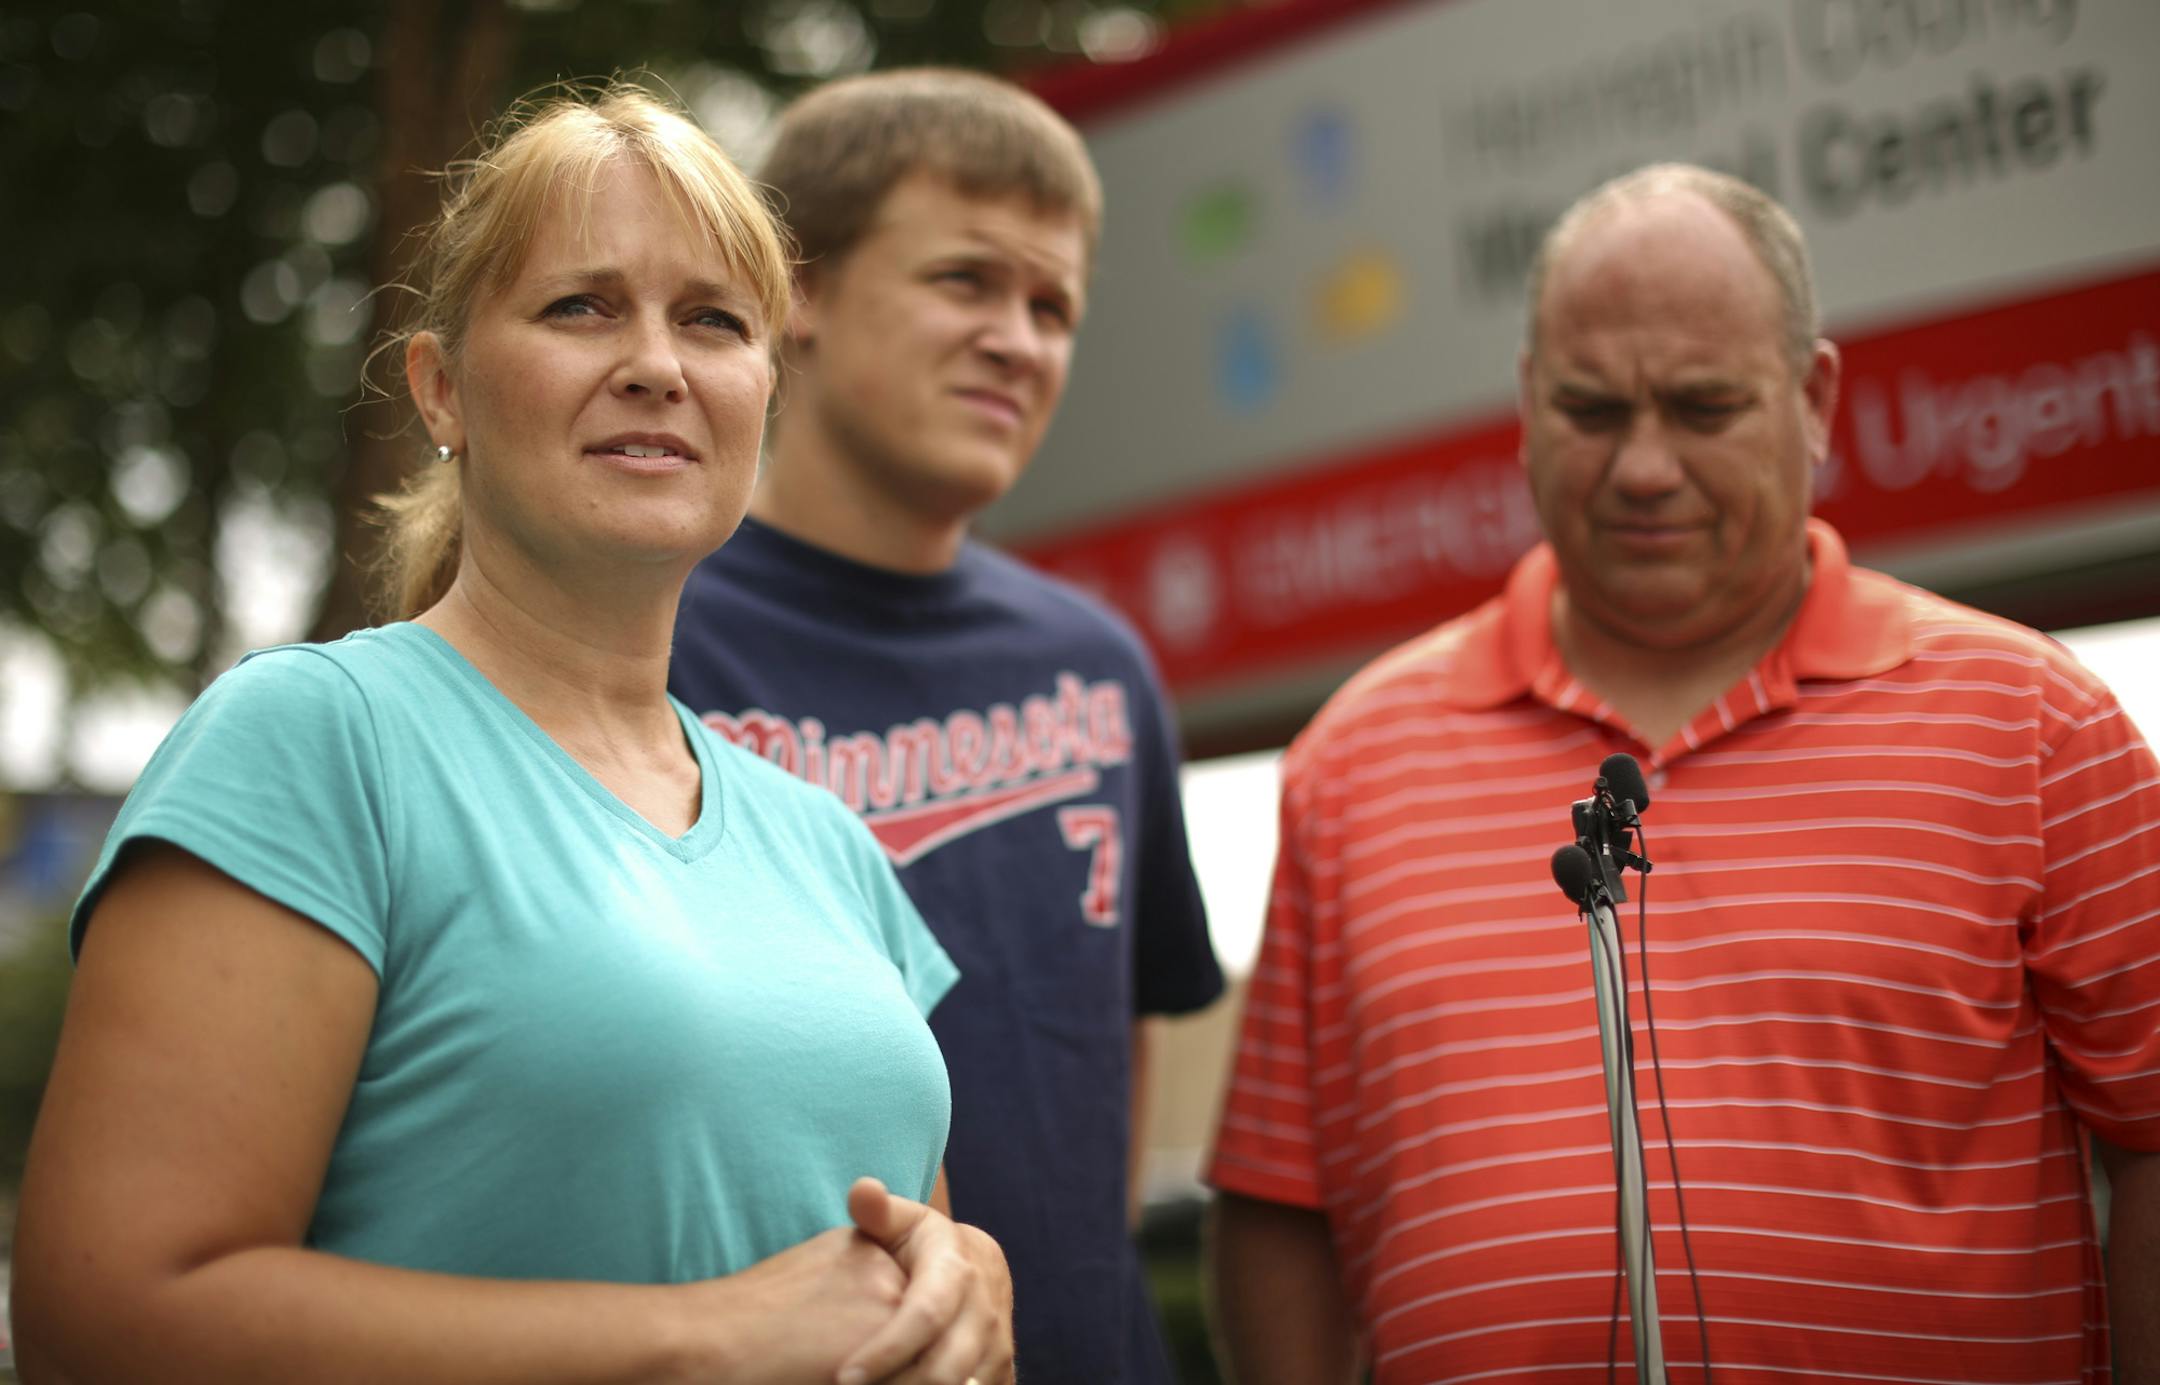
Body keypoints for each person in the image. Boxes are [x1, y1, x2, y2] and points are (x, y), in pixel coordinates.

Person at [12, 84, 1016, 1385]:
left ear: (762, 395)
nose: (657, 361)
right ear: (443, 391)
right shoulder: (316, 743)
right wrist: (700, 1340)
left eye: (713, 320)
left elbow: (876, 1262)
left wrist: (964, 1280)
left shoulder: (830, 845)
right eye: (581, 305)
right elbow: (102, 1329)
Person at [1204, 162, 2160, 1382]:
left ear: (1814, 397)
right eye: (1592, 410)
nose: (1643, 467)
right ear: (1524, 402)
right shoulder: (1352, 760)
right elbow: (1283, 1199)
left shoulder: (2036, 723)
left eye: (1704, 407)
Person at [667, 68, 1223, 1383]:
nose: (1018, 341)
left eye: (1053, 306)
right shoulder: (645, 636)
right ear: (794, 288)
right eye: (966, 281)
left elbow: (1115, 1101)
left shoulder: (1103, 669)